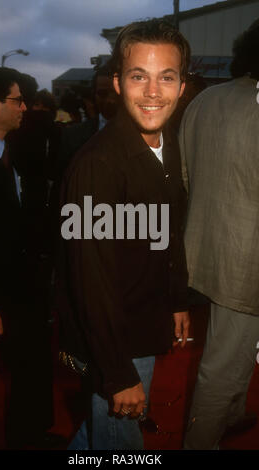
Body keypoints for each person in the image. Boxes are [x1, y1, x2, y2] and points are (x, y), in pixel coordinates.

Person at [56, 19, 190, 450]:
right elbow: (88, 279)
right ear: (117, 82)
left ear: (182, 86)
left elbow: (165, 235)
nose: (153, 92)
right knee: (118, 442)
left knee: (101, 435)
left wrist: (177, 300)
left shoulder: (165, 143)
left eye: (165, 77)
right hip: (116, 341)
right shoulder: (98, 165)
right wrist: (117, 373)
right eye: (139, 76)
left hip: (144, 319)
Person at [0, 65, 65, 449]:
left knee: (32, 367)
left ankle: (29, 437)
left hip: (19, 287)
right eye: (17, 100)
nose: (25, 107)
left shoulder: (10, 148)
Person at [179, 20, 259, 450]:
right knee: (222, 363)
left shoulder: (208, 98)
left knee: (233, 347)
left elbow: (187, 176)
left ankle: (232, 413)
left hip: (206, 250)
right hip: (247, 265)